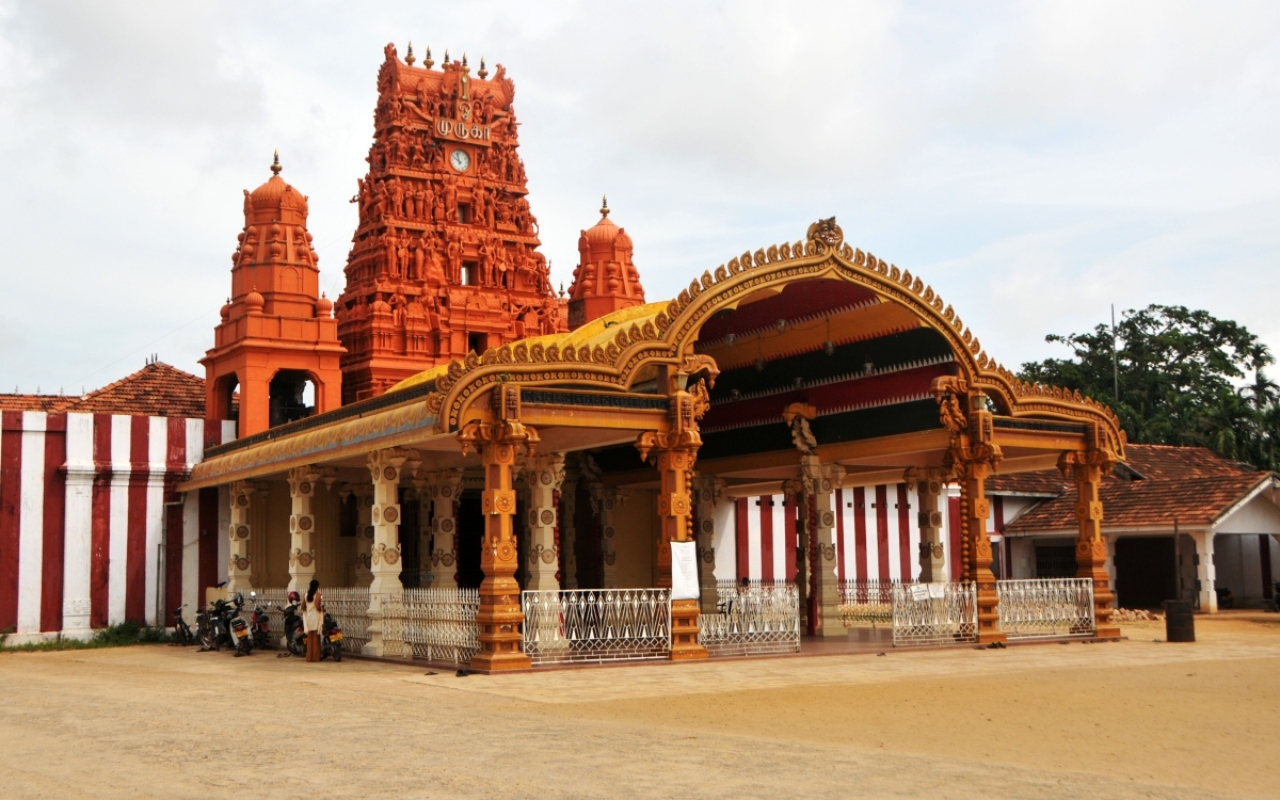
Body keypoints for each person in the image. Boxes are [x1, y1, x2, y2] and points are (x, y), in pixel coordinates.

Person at [302, 579, 323, 663]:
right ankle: (316, 657)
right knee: (316, 638)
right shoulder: (318, 595)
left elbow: (303, 606)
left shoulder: (306, 595)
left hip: (309, 617)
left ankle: (309, 657)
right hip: (316, 616)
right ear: (317, 586)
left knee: (309, 638)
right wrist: (322, 610)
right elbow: (318, 606)